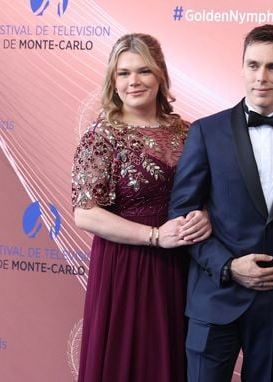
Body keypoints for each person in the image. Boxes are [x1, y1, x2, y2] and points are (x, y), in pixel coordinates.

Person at [168, 24, 273, 382]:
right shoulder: (206, 131)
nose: (262, 77)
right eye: (253, 65)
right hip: (214, 295)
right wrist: (228, 266)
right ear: (242, 67)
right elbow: (182, 212)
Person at [71, 33, 211, 382]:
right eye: (123, 73)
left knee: (173, 359)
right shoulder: (101, 135)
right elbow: (85, 212)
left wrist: (205, 216)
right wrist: (153, 236)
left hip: (180, 264)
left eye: (144, 71)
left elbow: (209, 194)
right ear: (113, 80)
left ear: (160, 75)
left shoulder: (188, 132)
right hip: (125, 267)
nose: (134, 81)